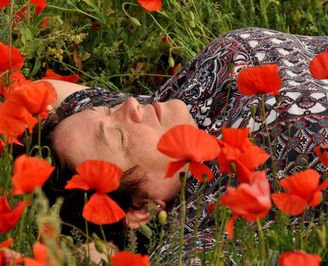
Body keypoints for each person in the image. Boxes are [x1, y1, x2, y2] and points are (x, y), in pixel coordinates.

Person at [38, 27, 328, 263]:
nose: (129, 105)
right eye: (120, 138)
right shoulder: (203, 229)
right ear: (141, 208)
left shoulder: (169, 106)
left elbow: (43, 93)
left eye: (107, 110)